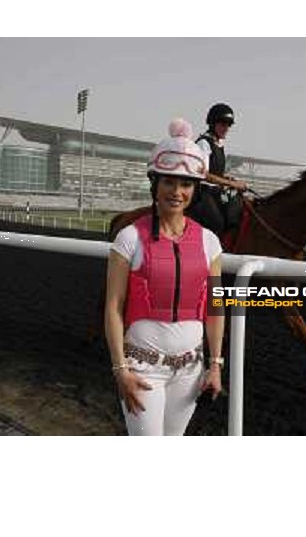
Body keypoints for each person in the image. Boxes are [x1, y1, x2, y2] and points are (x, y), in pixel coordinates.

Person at [104, 118, 225, 436]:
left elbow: (216, 309)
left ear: (194, 189)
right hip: (142, 369)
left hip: (190, 371)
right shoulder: (129, 238)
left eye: (185, 184)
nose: (177, 191)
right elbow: (113, 308)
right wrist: (121, 370)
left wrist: (216, 365)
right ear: (155, 184)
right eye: (168, 182)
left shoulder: (210, 241)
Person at [190, 103, 248, 235]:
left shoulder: (219, 144)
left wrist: (228, 179)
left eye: (228, 125)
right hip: (202, 192)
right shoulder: (203, 143)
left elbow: (215, 172)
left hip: (214, 190)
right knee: (217, 224)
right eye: (223, 124)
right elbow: (203, 174)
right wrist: (231, 183)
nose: (226, 128)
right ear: (212, 124)